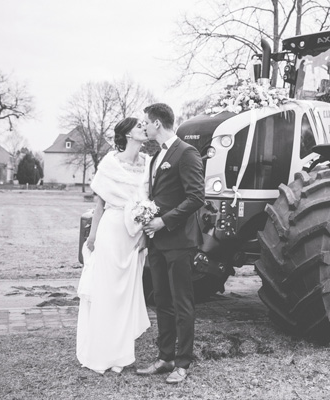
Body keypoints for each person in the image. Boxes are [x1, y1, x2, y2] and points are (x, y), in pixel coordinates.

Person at [76, 117, 151, 375]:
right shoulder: (110, 162)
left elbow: (152, 201)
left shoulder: (149, 164)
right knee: (107, 292)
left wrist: (146, 236)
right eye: (139, 126)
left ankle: (121, 353)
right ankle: (101, 352)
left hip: (135, 235)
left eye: (145, 125)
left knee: (126, 295)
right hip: (111, 230)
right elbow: (99, 204)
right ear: (128, 134)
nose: (144, 127)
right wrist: (92, 237)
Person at [136, 103, 205, 384]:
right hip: (157, 242)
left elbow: (196, 197)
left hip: (179, 240)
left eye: (145, 122)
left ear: (157, 123)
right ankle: (165, 358)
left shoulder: (186, 153)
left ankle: (183, 362)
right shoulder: (155, 156)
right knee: (162, 301)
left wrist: (164, 221)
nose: (143, 126)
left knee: (182, 302)